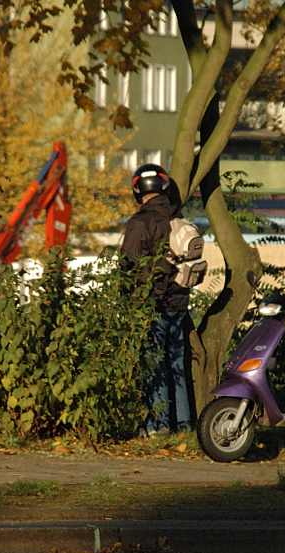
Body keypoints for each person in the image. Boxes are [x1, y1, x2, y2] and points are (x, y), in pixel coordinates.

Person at [120, 163, 192, 435]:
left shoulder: (140, 223)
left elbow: (128, 265)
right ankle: (184, 425)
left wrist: (127, 300)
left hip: (152, 304)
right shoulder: (177, 218)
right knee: (177, 365)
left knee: (154, 366)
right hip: (179, 302)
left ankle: (158, 426)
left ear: (138, 189)